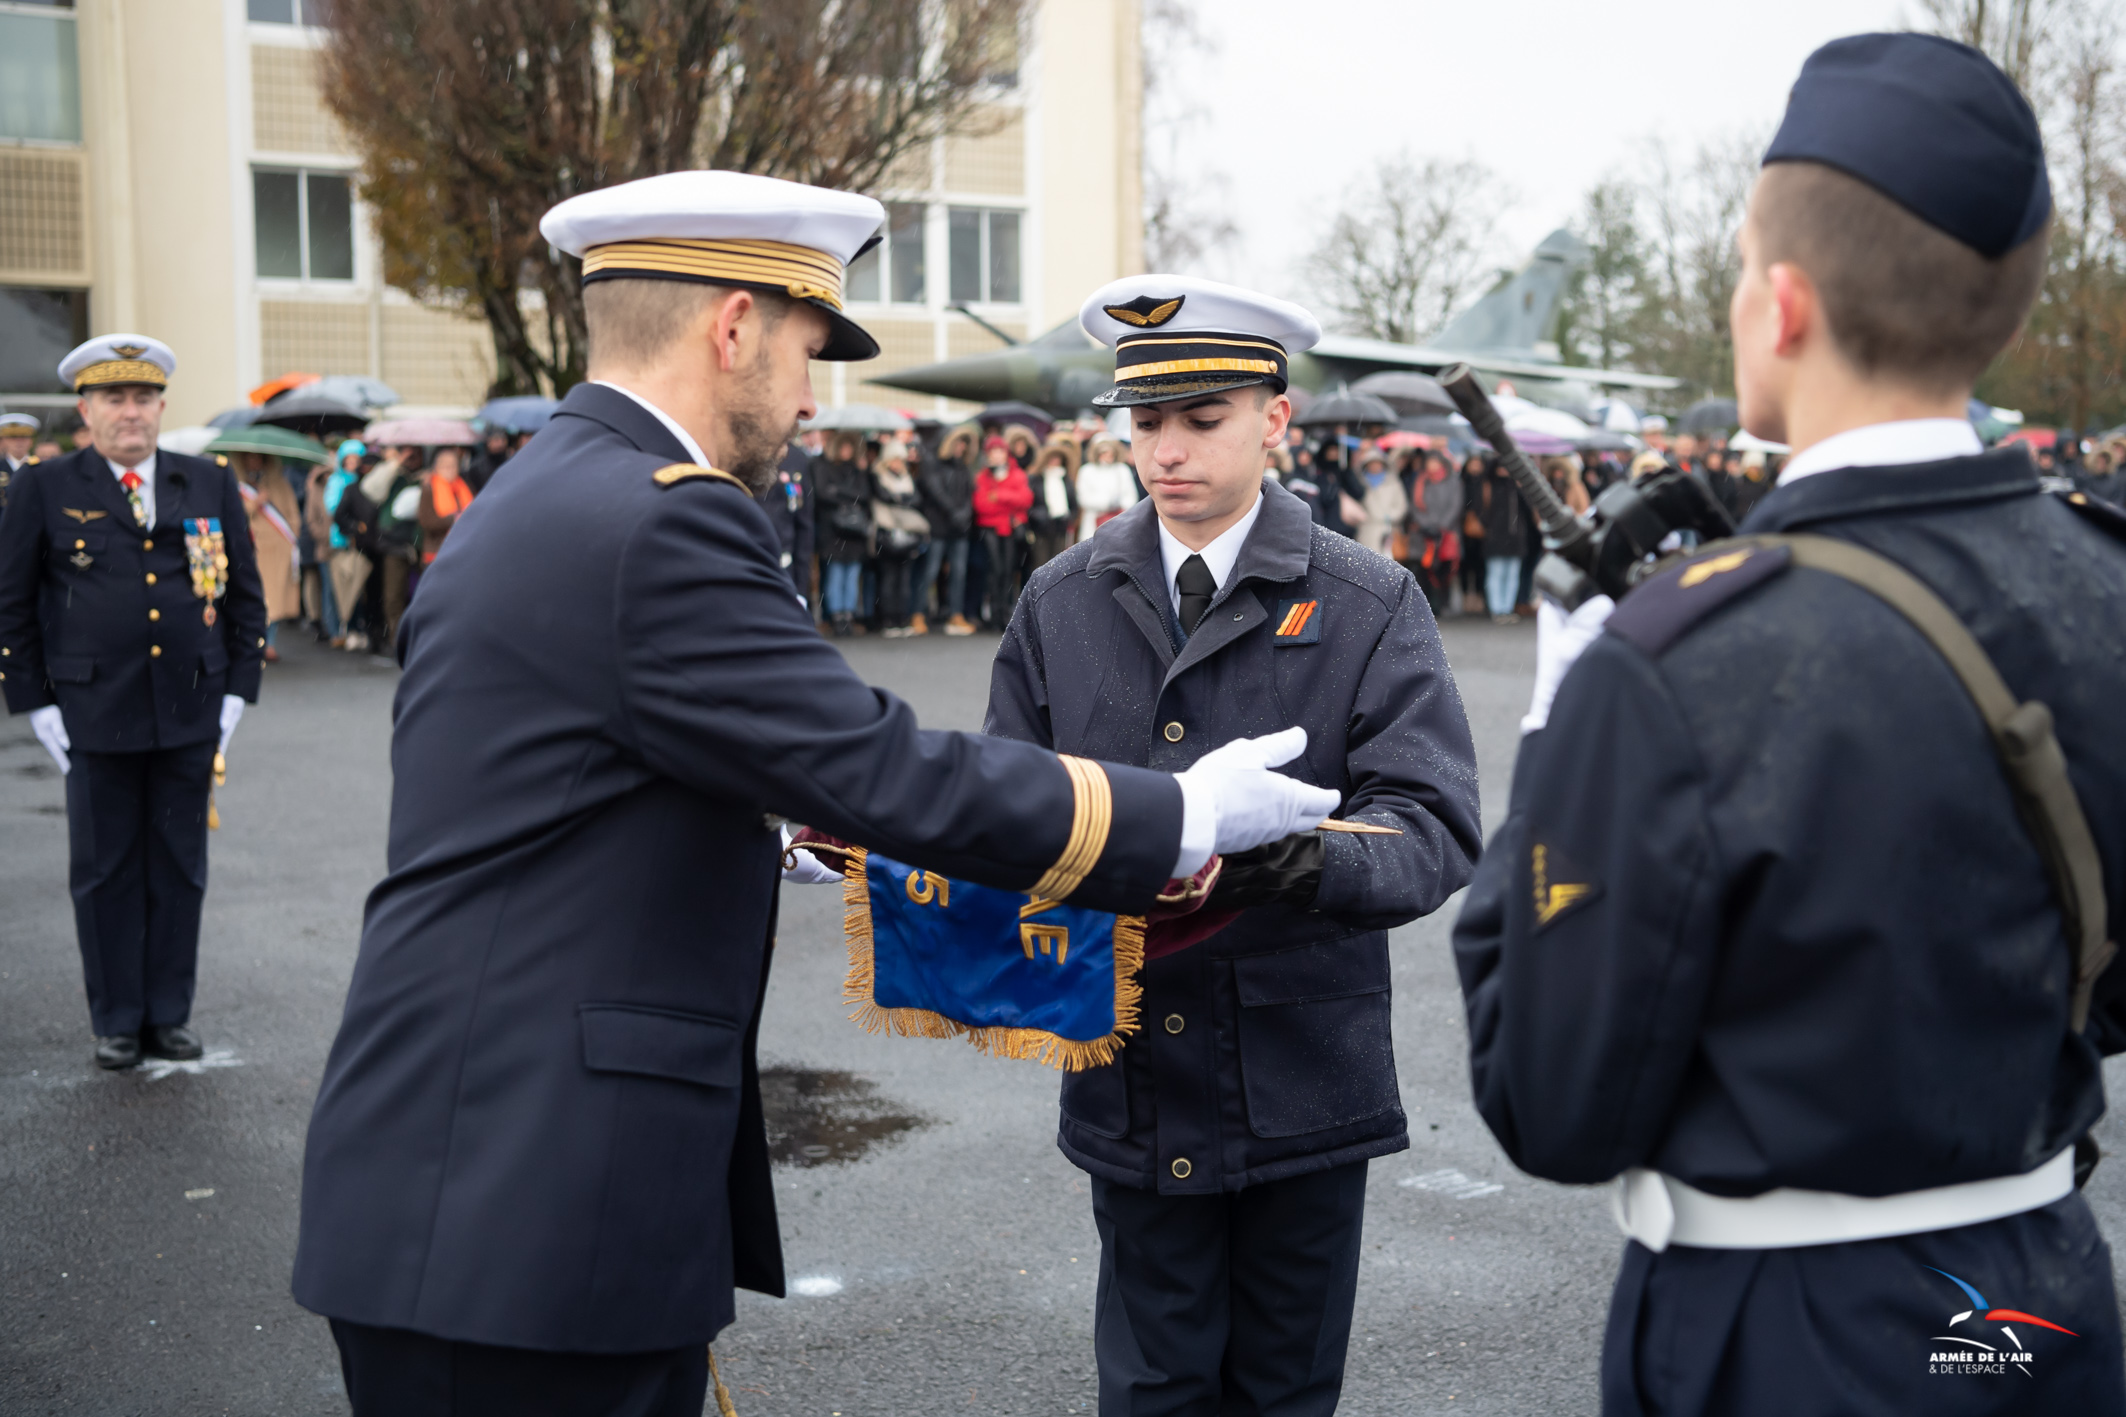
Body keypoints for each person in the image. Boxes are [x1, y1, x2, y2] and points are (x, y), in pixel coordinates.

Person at [287, 170, 1341, 1417]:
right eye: (800, 351)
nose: (805, 397)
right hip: (526, 1202)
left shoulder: (548, 488)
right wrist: (1185, 817)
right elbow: (883, 765)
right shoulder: (664, 523)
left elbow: (596, 769)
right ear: (730, 327)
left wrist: (763, 815)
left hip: (466, 1177)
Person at [1453, 34, 2126, 1416]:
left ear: (1785, 304)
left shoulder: (1678, 658)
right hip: (2042, 1291)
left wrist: (1555, 726)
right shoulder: (2104, 581)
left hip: (1787, 1340)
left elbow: (1549, 1097)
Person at [989, 274, 1483, 1417]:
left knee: (1281, 1392)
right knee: (1153, 1391)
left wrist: (1267, 858)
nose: (1166, 450)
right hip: (1131, 1077)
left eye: (1200, 419)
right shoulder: (1059, 602)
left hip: (1300, 1082)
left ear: (1274, 418)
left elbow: (1431, 825)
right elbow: (1008, 806)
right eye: (1146, 421)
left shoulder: (1367, 600)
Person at [0, 335, 266, 1070]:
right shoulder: (45, 488)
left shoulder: (206, 481)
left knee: (180, 866)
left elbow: (243, 593)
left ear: (160, 406)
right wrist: (34, 701)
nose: (129, 411)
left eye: (142, 397)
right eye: (113, 397)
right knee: (106, 869)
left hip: (190, 708)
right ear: (85, 409)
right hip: (92, 710)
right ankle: (117, 1017)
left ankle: (168, 1012)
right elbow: (11, 603)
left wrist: (240, 685)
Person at [232, 451, 303, 662]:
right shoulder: (236, 485)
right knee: (256, 597)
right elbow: (235, 515)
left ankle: (269, 643)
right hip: (253, 548)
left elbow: (292, 514)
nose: (255, 461)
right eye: (250, 457)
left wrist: (292, 536)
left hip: (279, 549)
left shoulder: (279, 483)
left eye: (259, 457)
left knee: (275, 598)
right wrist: (255, 503)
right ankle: (252, 640)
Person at [915, 422, 977, 635]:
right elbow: (935, 491)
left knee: (959, 572)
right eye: (959, 443)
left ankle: (955, 614)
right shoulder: (932, 463)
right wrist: (955, 512)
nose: (962, 447)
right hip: (938, 526)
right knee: (930, 571)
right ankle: (918, 613)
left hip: (959, 528)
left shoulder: (962, 466)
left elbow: (969, 494)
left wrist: (964, 514)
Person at [813, 429, 871, 635]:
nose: (846, 451)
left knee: (852, 574)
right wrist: (848, 496)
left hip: (853, 531)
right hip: (833, 531)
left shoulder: (858, 470)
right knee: (836, 573)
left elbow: (863, 495)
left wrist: (839, 492)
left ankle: (848, 614)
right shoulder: (824, 466)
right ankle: (836, 615)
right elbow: (823, 494)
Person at [972, 434, 1031, 627]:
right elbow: (981, 505)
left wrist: (998, 496)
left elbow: (1025, 500)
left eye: (1000, 452)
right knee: (994, 572)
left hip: (1010, 530)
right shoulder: (982, 477)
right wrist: (1010, 502)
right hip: (990, 530)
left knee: (1008, 572)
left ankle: (1006, 614)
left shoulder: (1017, 474)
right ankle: (994, 614)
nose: (997, 456)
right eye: (993, 452)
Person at [869, 442, 928, 637]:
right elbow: (884, 496)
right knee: (888, 576)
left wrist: (899, 498)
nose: (898, 463)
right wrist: (901, 499)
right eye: (895, 459)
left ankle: (902, 617)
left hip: (907, 531)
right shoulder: (878, 475)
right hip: (887, 530)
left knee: (904, 577)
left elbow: (916, 499)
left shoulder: (906, 477)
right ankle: (888, 619)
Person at [757, 439, 815, 606]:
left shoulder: (796, 457)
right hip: (750, 559)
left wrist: (802, 589)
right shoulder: (744, 451)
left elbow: (804, 523)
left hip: (784, 562)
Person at [1407, 452, 1463, 616]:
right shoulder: (1420, 481)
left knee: (1445, 570)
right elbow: (1415, 506)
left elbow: (1456, 505)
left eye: (1435, 462)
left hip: (1446, 532)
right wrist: (1426, 525)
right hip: (1424, 534)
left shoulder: (1452, 481)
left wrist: (1441, 526)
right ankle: (1426, 605)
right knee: (1424, 569)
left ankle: (1443, 604)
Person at [416, 444, 476, 572]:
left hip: (461, 548)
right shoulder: (429, 488)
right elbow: (427, 522)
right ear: (437, 467)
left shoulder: (463, 486)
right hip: (436, 551)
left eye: (453, 465)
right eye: (445, 466)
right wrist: (454, 519)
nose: (450, 469)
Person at [1027, 437, 1080, 569]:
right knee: (1041, 564)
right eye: (1052, 458)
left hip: (1060, 528)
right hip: (1041, 529)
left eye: (1057, 459)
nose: (1054, 462)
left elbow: (1073, 504)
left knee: (1059, 564)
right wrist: (1039, 516)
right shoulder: (1036, 480)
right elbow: (1029, 504)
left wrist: (1069, 518)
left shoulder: (1066, 480)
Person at [1076, 434, 1139, 541]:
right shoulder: (1086, 471)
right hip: (1093, 520)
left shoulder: (1122, 469)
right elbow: (1083, 498)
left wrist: (1121, 506)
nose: (1108, 456)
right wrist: (1106, 503)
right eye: (1104, 452)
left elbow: (1130, 495)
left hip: (1118, 519)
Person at [1352, 448, 1407, 558]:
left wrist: (1389, 516)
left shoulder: (1393, 483)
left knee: (1388, 562)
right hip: (1367, 529)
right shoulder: (1359, 483)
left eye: (1377, 463)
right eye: (1371, 464)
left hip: (1388, 528)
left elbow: (1401, 505)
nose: (1374, 466)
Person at [1, 410, 40, 510]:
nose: (19, 442)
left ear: (31, 441)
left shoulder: (40, 467)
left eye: (24, 437)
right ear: (3, 441)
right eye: (13, 437)